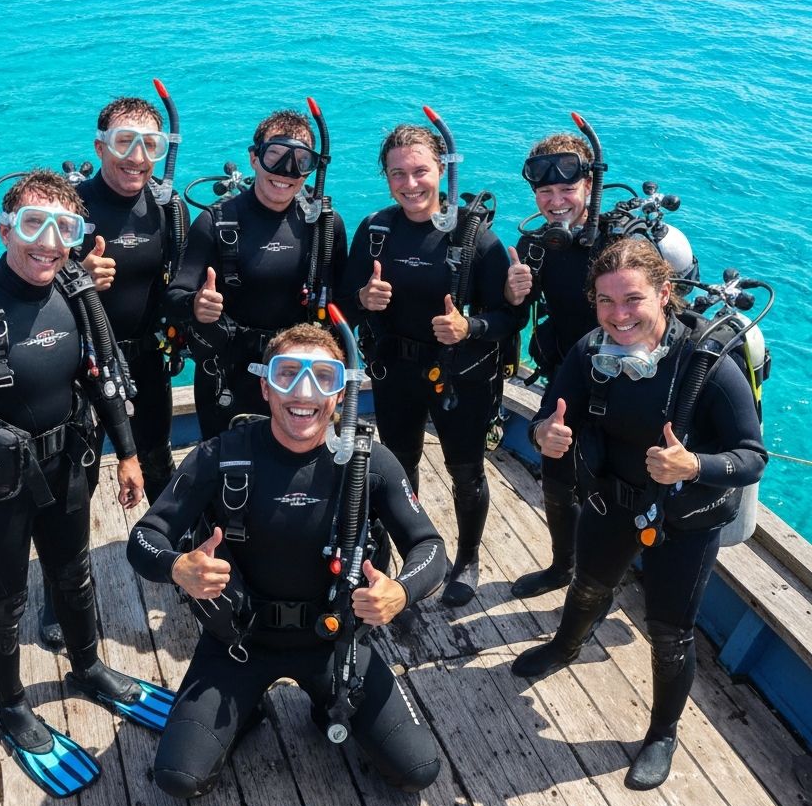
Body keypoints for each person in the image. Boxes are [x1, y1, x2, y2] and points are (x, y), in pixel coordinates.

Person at [0, 169, 173, 798]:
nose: (49, 243)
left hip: (66, 468)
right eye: (33, 225)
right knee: (4, 604)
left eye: (65, 228)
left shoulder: (75, 294)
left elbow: (103, 377)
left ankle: (87, 668)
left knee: (73, 575)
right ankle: (13, 706)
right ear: (5, 229)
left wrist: (129, 455)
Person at [127, 322, 445, 799]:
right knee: (180, 778)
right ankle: (247, 706)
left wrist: (400, 592)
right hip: (239, 642)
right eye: (288, 374)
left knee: (417, 769)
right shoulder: (221, 456)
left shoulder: (370, 463)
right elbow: (144, 537)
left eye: (324, 378)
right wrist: (178, 567)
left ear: (341, 392)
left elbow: (430, 547)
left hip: (334, 646)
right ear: (265, 385)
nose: (304, 392)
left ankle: (324, 705)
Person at [510, 238, 766, 791]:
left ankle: (662, 733)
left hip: (685, 517)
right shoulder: (588, 352)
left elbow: (751, 458)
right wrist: (544, 434)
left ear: (664, 294)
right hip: (613, 501)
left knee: (670, 633)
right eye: (605, 302)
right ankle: (566, 646)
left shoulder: (707, 365)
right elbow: (550, 412)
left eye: (633, 300)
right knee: (587, 586)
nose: (619, 316)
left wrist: (694, 464)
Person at [29, 95, 190, 648]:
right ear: (100, 147)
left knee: (157, 459)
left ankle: (178, 559)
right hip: (80, 367)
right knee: (75, 479)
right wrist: (73, 274)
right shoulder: (75, 209)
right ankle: (58, 591)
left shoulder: (168, 207)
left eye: (152, 144)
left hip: (144, 359)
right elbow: (28, 276)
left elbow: (180, 279)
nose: (138, 156)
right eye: (125, 142)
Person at [340, 123, 516, 607]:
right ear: (386, 177)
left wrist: (469, 330)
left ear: (442, 170)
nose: (410, 183)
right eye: (398, 174)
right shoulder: (376, 231)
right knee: (401, 467)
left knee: (466, 471)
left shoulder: (475, 237)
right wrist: (362, 299)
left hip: (461, 375)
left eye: (421, 171)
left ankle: (469, 557)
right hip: (396, 372)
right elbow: (340, 307)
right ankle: (411, 552)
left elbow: (512, 316)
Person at [163, 108, 347, 439]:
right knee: (228, 471)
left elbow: (342, 304)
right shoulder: (215, 223)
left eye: (300, 161)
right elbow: (174, 296)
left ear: (311, 169)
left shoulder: (325, 226)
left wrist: (363, 297)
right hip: (229, 374)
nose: (286, 171)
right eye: (274, 155)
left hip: (298, 375)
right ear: (253, 158)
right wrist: (196, 303)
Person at [504, 133, 600, 598]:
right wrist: (513, 292)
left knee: (610, 486)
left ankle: (595, 583)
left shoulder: (621, 243)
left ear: (588, 185)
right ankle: (564, 566)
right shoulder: (538, 246)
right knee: (557, 475)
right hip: (566, 375)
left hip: (625, 383)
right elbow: (520, 316)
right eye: (545, 193)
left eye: (566, 191)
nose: (556, 202)